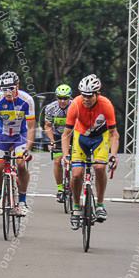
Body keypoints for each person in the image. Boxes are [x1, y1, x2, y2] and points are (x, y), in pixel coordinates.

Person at [61, 74, 119, 228]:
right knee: (77, 174)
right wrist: (66, 155)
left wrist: (113, 155)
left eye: (89, 96)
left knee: (100, 167)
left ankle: (100, 205)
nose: (86, 99)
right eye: (83, 95)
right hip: (81, 137)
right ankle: (75, 207)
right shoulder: (75, 105)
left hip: (100, 137)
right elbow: (66, 134)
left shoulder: (106, 104)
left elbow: (114, 134)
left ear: (97, 94)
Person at [0, 71, 36, 216]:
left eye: (11, 88)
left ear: (18, 86)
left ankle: (23, 200)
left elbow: (31, 127)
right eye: (4, 89)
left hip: (20, 136)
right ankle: (1, 195)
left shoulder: (27, 100)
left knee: (20, 163)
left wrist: (28, 148)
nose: (8, 92)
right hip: (2, 136)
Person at [43, 84, 73, 203]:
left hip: (73, 135)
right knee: (57, 161)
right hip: (57, 136)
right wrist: (51, 141)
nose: (62, 101)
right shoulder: (50, 108)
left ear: (70, 98)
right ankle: (60, 189)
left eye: (65, 98)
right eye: (60, 97)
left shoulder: (76, 106)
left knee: (76, 163)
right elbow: (48, 126)